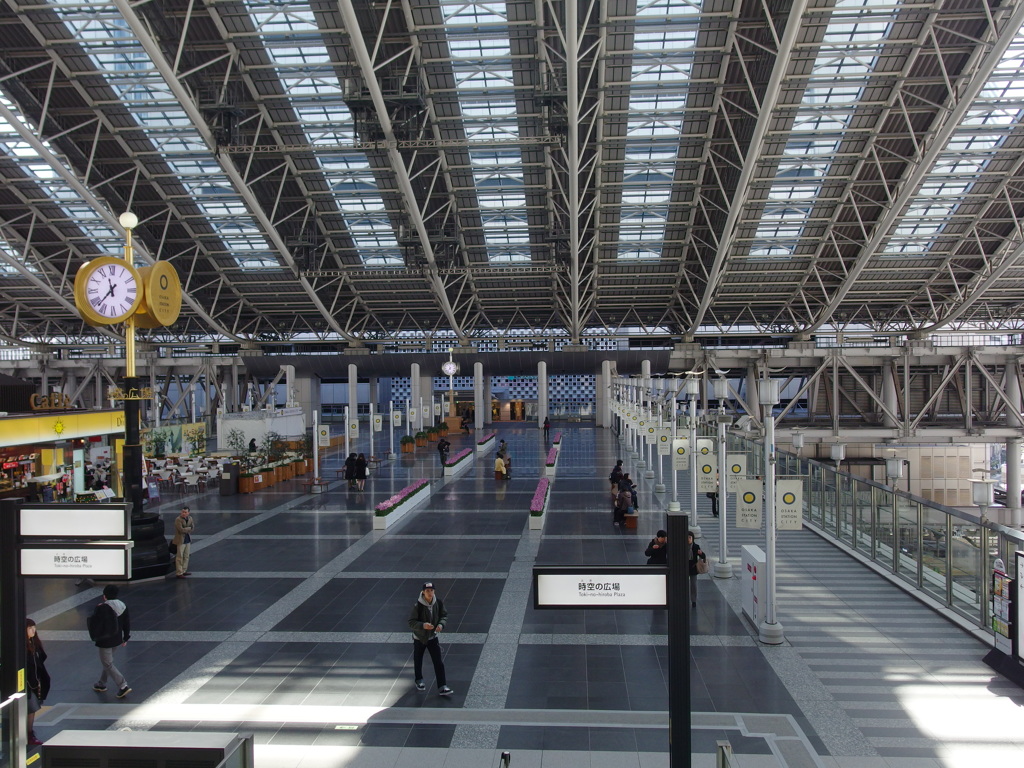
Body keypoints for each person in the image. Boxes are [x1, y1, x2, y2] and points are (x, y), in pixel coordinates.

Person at [407, 582, 453, 696]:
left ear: (434, 591)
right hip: (420, 638)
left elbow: (444, 615)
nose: (430, 593)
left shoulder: (438, 602)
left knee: (438, 662)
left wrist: (441, 625)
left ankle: (442, 686)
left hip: (432, 637)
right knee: (418, 660)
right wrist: (423, 625)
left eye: (431, 590)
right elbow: (411, 622)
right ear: (423, 592)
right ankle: (419, 680)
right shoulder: (417, 606)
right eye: (427, 591)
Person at [87, 584, 131, 698]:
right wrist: (125, 637)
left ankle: (123, 685)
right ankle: (101, 683)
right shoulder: (123, 605)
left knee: (108, 663)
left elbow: (95, 623)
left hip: (105, 640)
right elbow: (127, 622)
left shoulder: (102, 607)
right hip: (117, 639)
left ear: (104, 596)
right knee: (107, 662)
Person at [26, 618, 50, 747]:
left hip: (35, 682)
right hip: (27, 683)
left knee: (32, 708)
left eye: (34, 627)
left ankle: (29, 734)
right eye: (30, 628)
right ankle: (29, 734)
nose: (33, 630)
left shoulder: (34, 644)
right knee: (31, 708)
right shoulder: (23, 647)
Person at [172, 505, 194, 579]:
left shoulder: (190, 518)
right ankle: (179, 572)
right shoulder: (178, 519)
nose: (183, 513)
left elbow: (192, 528)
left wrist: (187, 529)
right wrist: (188, 528)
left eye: (185, 512)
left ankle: (184, 570)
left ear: (188, 513)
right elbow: (181, 530)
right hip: (180, 540)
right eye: (182, 512)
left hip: (187, 539)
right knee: (179, 556)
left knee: (186, 555)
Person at [688, 532, 706, 607]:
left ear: (692, 538)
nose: (688, 539)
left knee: (693, 585)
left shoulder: (696, 546)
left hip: (693, 568)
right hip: (684, 568)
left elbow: (703, 556)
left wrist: (701, 554)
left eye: (690, 537)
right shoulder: (681, 546)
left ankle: (693, 600)